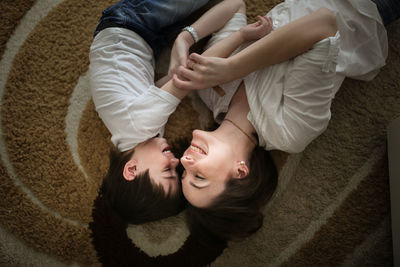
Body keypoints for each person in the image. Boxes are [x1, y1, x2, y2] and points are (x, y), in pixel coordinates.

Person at [170, 0, 395, 241]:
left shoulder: (209, 92)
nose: (185, 159)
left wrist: (185, 38)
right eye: (199, 178)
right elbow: (324, 24)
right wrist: (232, 68)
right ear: (240, 172)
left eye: (184, 172)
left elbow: (235, 6)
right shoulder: (288, 131)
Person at [88, 0, 253, 224]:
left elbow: (187, 77)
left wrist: (241, 36)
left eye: (168, 170)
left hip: (129, 23)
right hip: (143, 40)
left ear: (132, 169)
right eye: (177, 172)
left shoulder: (140, 126)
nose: (177, 161)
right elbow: (161, 87)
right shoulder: (130, 137)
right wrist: (175, 76)